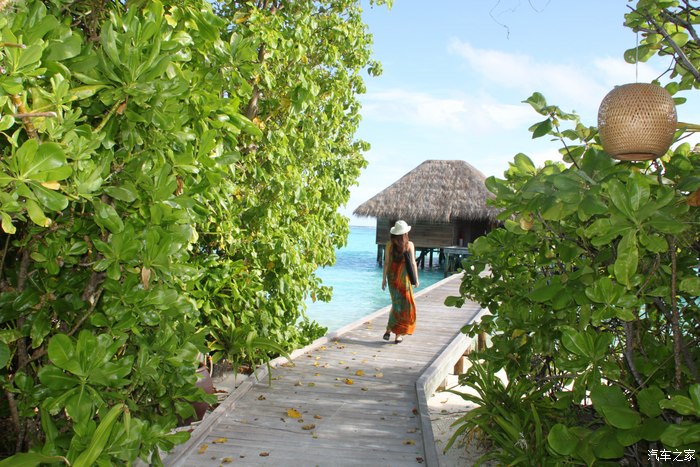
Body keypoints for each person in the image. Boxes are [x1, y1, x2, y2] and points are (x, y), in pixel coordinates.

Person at [381, 220, 419, 343]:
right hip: (404, 280)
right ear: (405, 233)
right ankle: (397, 335)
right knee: (405, 306)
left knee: (396, 304)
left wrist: (383, 279)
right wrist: (416, 279)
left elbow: (386, 263)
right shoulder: (409, 245)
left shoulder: (389, 245)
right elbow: (413, 263)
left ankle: (388, 331)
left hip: (392, 278)